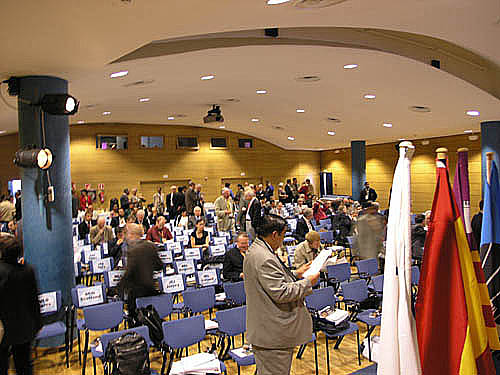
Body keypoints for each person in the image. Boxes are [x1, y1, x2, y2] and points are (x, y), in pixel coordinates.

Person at [243, 214, 320, 375]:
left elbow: (272, 280)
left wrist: (296, 273)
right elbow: (281, 293)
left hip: (267, 330)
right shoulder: (264, 257)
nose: (283, 239)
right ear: (275, 234)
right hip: (272, 334)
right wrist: (307, 282)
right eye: (283, 235)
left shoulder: (259, 249)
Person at [0, 235, 42, 375]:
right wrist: (37, 324)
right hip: (25, 327)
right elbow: (34, 302)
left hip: (3, 329)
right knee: (24, 366)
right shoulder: (28, 270)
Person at [118, 240, 163, 324]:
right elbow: (159, 266)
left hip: (136, 293)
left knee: (137, 322)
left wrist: (119, 287)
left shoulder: (133, 250)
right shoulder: (150, 247)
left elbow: (128, 274)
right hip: (150, 290)